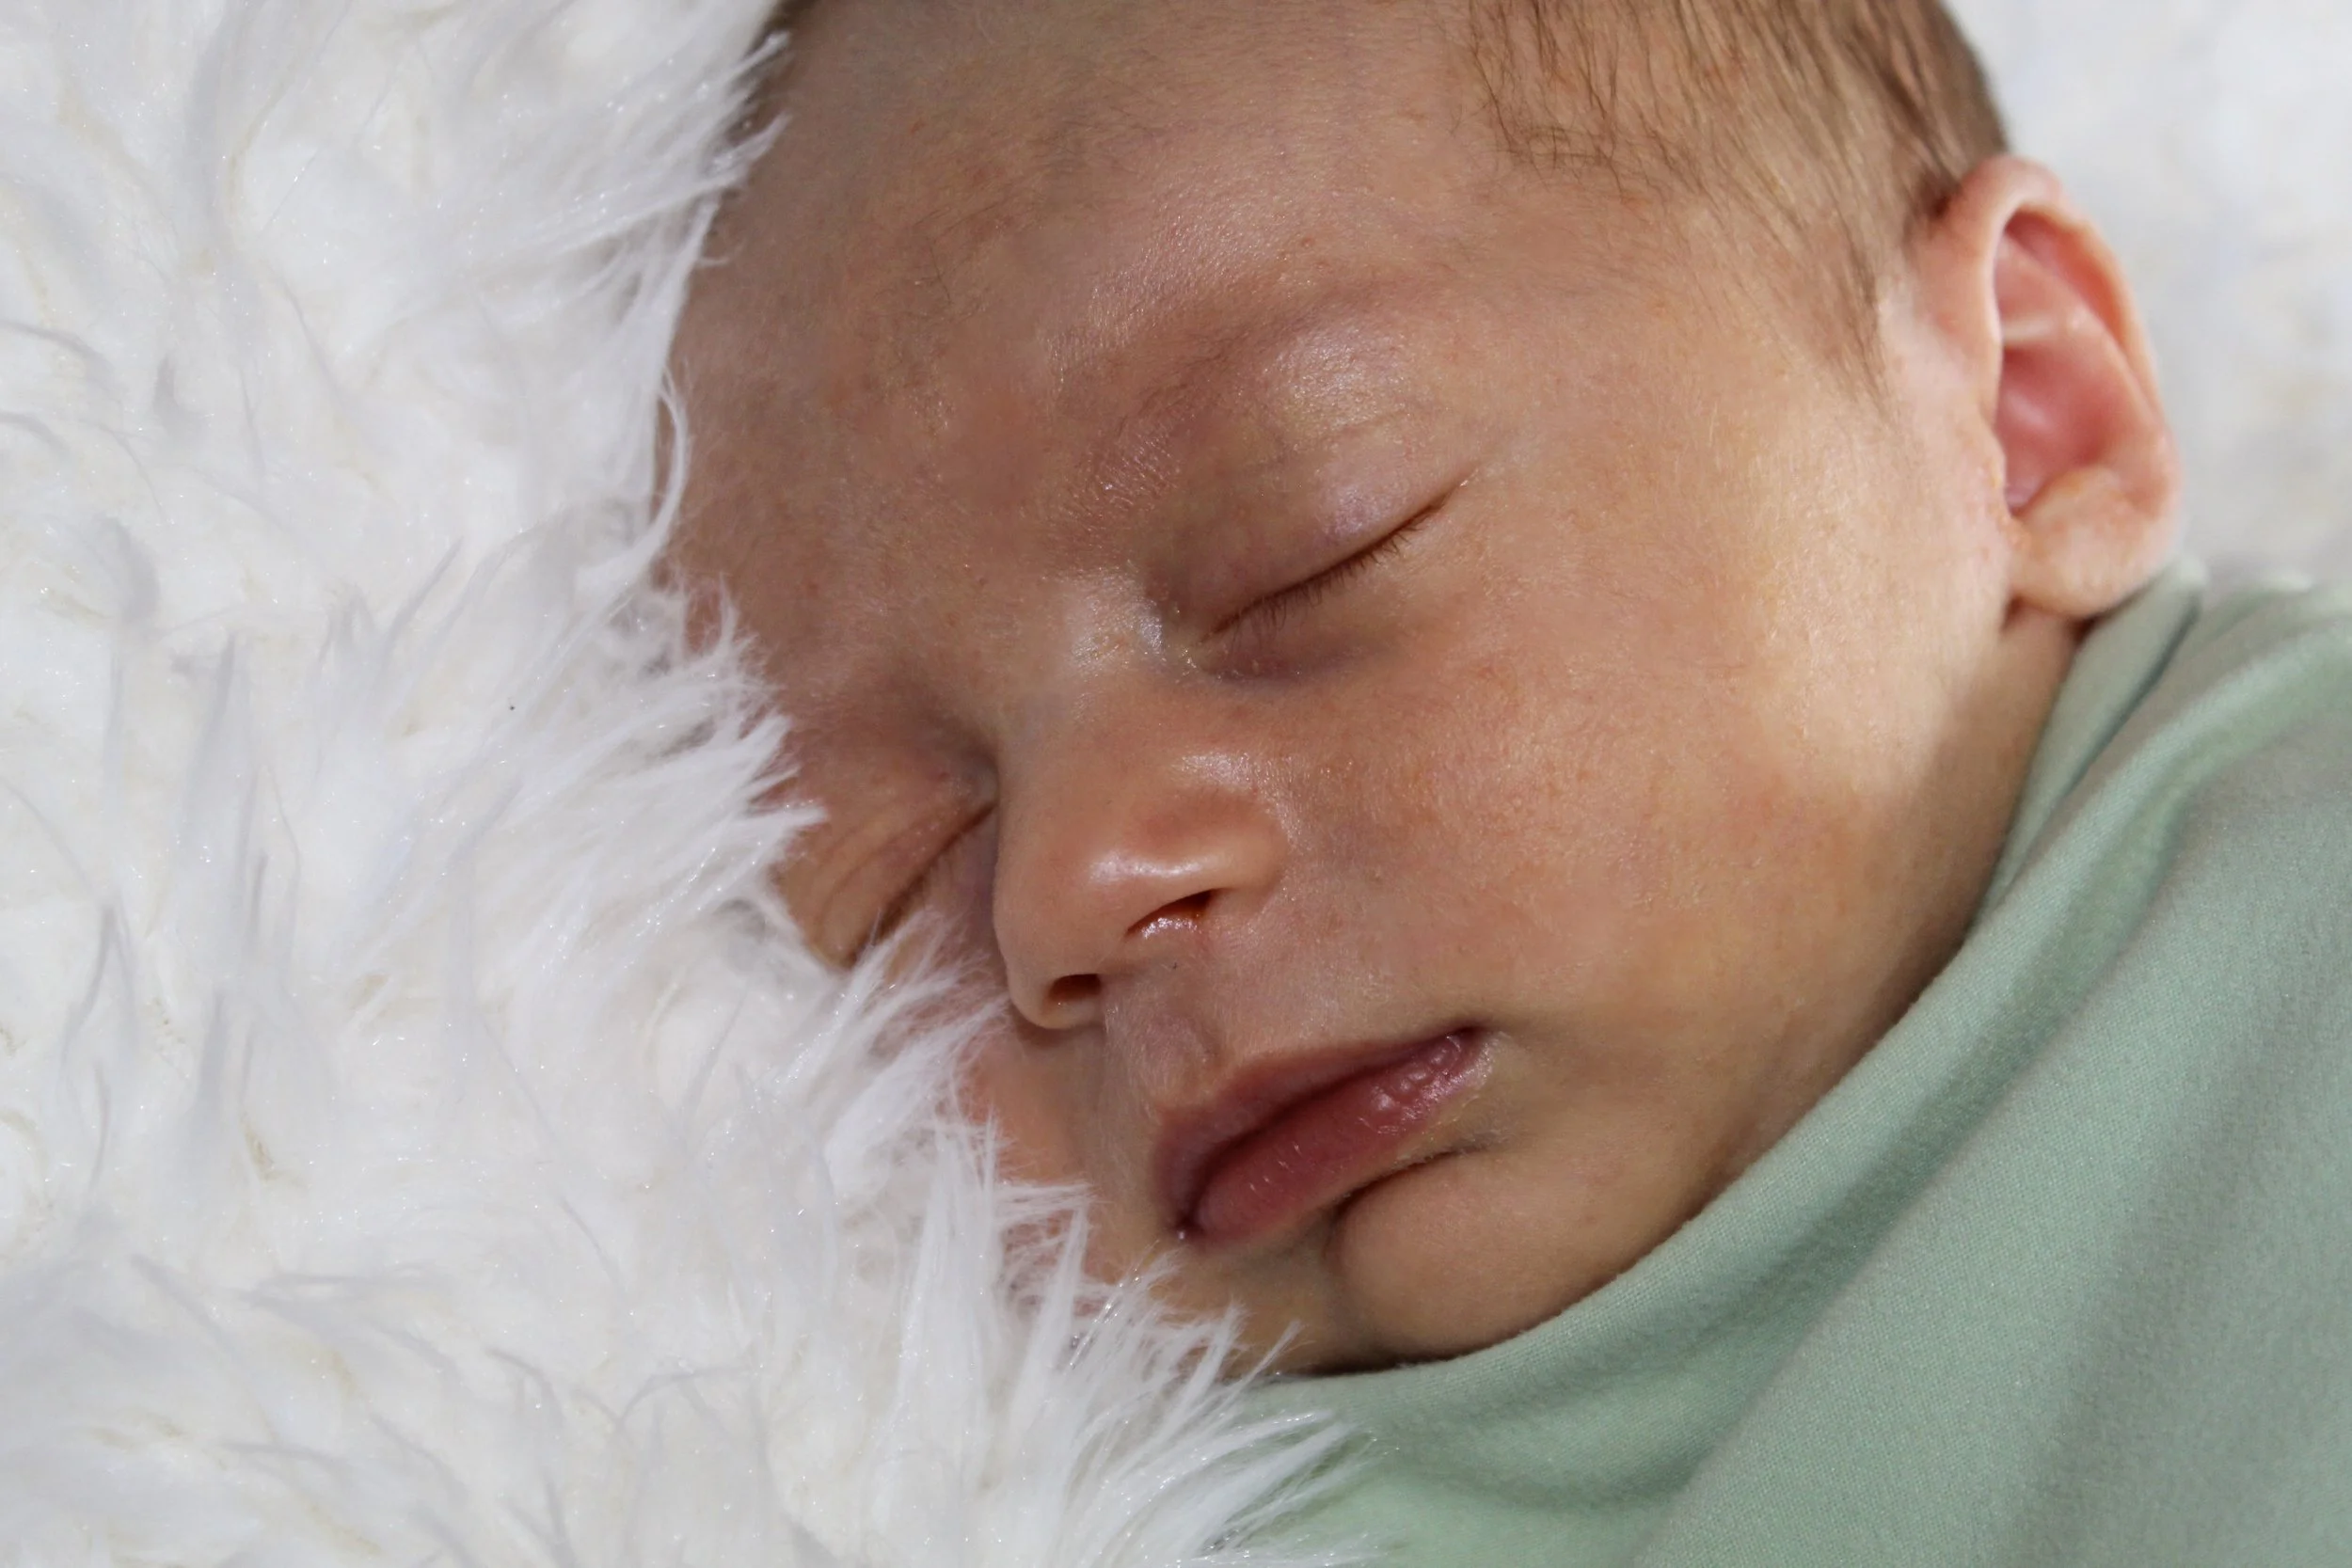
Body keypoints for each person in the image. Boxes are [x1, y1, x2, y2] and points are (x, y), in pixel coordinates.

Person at [669, 1, 2352, 1560]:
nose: (1071, 881)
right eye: (892, 865)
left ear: (2022, 415)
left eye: (1311, 550)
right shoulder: (1018, 1485)